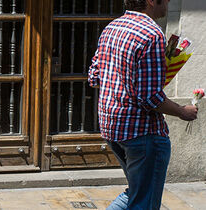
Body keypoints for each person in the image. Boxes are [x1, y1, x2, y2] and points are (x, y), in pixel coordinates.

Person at [88, 0, 197, 209]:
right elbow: (150, 98)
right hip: (142, 133)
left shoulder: (112, 27)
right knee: (144, 201)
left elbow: (95, 76)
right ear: (150, 1)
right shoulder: (151, 34)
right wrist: (183, 111)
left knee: (137, 193)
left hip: (113, 128)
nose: (168, 2)